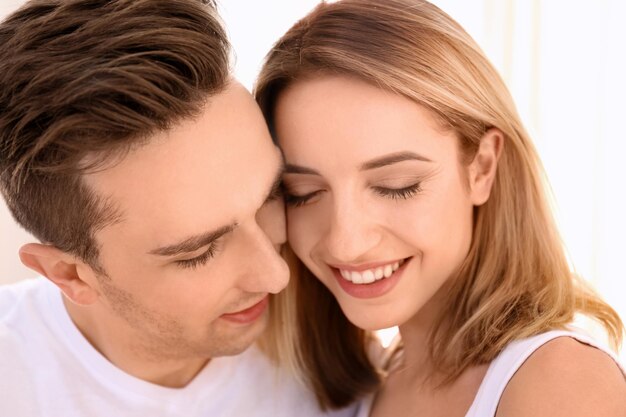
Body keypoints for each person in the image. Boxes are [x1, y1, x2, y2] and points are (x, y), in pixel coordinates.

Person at [255, 0, 626, 416]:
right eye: (303, 192)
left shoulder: (561, 381)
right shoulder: (359, 390)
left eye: (396, 187)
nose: (346, 243)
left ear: (482, 167)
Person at [0, 1, 357, 416]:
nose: (276, 276)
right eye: (199, 252)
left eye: (274, 193)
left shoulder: (340, 329)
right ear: (69, 274)